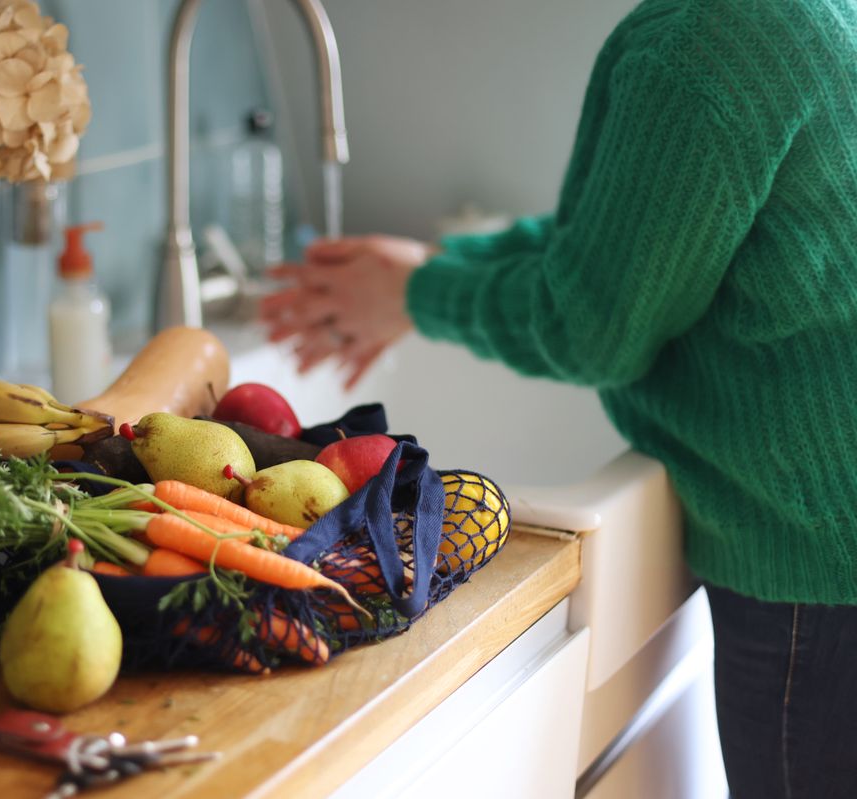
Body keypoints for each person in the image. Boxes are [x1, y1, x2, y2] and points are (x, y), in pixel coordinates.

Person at [260, 0, 857, 796]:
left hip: (812, 562)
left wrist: (423, 290)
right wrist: (427, 275)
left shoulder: (709, 39)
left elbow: (592, 325)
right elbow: (624, 238)